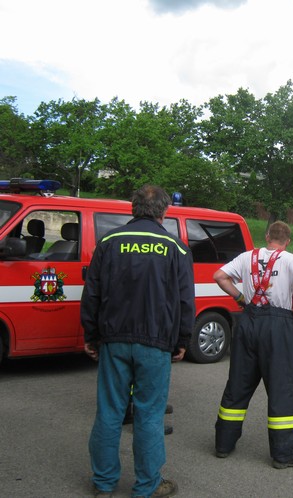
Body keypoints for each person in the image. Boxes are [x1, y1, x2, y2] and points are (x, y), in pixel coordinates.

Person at [81, 184, 195, 498]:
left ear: (133, 208)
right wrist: (183, 338)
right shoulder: (176, 247)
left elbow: (92, 294)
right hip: (156, 343)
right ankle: (146, 486)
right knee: (149, 413)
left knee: (109, 410)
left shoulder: (108, 242)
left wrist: (91, 335)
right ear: (164, 211)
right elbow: (186, 300)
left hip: (113, 339)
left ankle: (103, 484)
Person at [213, 221, 293, 469]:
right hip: (277, 325)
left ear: (267, 236)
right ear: (288, 241)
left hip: (248, 320)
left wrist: (239, 297)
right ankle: (284, 453)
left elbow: (219, 276)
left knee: (238, 382)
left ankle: (223, 444)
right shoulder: (290, 259)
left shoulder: (247, 257)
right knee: (282, 386)